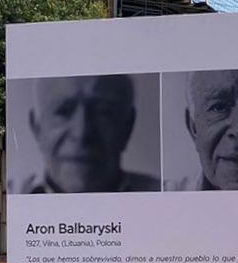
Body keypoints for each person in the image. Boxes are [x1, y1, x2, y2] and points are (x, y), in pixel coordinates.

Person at [21, 74, 158, 193]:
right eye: (63, 111)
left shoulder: (166, 197)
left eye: (102, 112)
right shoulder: (8, 202)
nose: (82, 133)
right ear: (36, 127)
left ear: (128, 127)